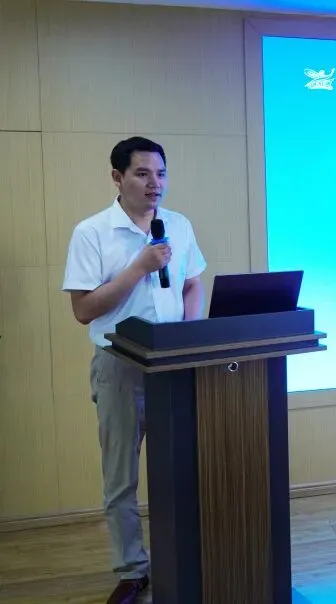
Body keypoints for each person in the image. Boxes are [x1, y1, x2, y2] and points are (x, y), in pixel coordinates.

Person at [62, 137, 207, 604]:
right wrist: (138, 267)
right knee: (121, 476)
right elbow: (84, 309)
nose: (154, 183)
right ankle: (132, 571)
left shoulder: (178, 225)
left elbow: (192, 284)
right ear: (117, 177)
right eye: (142, 173)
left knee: (181, 468)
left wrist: (189, 334)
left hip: (174, 364)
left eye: (160, 173)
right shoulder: (92, 232)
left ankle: (181, 558)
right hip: (120, 366)